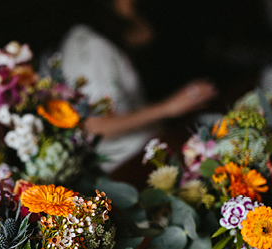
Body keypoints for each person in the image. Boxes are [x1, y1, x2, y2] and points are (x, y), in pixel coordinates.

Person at [53, 0, 218, 172]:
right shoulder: (88, 45)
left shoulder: (130, 19)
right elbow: (94, 127)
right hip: (128, 164)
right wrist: (169, 107)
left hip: (163, 138)